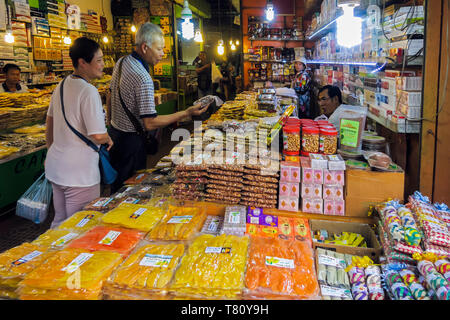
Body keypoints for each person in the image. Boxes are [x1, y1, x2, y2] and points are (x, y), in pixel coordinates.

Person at [108, 22, 207, 193]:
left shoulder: (122, 62)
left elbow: (109, 95)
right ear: (145, 47)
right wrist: (186, 112)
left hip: (115, 137)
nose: (162, 54)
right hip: (131, 144)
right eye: (159, 49)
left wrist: (111, 123)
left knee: (116, 188)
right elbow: (150, 123)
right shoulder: (142, 77)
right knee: (130, 191)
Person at [45, 37, 113, 228]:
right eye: (98, 60)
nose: (102, 65)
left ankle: (51, 255)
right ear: (82, 62)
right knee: (80, 227)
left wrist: (53, 151)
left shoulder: (61, 85)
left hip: (57, 167)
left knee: (59, 221)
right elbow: (98, 135)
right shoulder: (88, 91)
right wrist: (109, 138)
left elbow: (49, 124)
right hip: (79, 173)